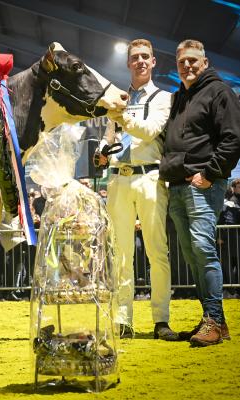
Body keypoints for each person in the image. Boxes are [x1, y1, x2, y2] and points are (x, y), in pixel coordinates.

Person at [159, 39, 240, 346]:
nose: (188, 66)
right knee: (193, 255)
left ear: (205, 63)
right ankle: (213, 317)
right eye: (182, 62)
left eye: (194, 61)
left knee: (203, 249)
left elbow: (233, 138)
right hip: (178, 185)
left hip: (203, 183)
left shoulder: (219, 92)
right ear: (177, 65)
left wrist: (209, 173)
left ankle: (215, 321)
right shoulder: (179, 97)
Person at [96, 39, 177, 340]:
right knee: (120, 254)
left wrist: (120, 115)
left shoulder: (163, 98)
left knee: (157, 251)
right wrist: (101, 152)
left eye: (145, 57)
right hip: (118, 178)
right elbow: (110, 136)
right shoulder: (119, 97)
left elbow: (148, 131)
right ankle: (122, 320)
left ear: (154, 62)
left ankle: (161, 319)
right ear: (128, 63)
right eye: (135, 57)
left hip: (150, 178)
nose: (140, 61)